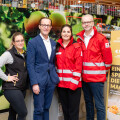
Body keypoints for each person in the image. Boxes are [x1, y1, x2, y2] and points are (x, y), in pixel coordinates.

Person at [77, 14, 112, 120]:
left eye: (88, 22)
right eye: (84, 22)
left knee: (99, 105)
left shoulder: (101, 38)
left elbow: (108, 60)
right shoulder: (79, 38)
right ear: (82, 24)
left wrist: (101, 71)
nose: (86, 24)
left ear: (93, 23)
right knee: (88, 103)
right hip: (84, 78)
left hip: (97, 79)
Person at [26, 17, 59, 120]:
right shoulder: (33, 43)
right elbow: (30, 64)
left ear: (51, 27)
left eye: (48, 25)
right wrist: (34, 83)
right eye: (43, 25)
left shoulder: (54, 43)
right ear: (39, 26)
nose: (46, 27)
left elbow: (53, 62)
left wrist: (54, 78)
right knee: (39, 109)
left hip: (50, 80)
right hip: (39, 81)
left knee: (46, 108)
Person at [56, 24, 83, 120]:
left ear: (71, 34)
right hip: (61, 85)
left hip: (73, 85)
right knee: (65, 111)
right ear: (61, 33)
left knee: (73, 112)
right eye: (64, 31)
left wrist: (73, 84)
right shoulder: (57, 46)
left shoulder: (76, 46)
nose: (66, 34)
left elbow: (78, 67)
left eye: (68, 32)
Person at [0, 32, 28, 120]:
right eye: (17, 41)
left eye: (22, 40)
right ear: (13, 42)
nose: (20, 42)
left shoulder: (24, 53)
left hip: (21, 88)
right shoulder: (9, 54)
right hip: (11, 88)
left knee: (13, 112)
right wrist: (6, 78)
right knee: (23, 112)